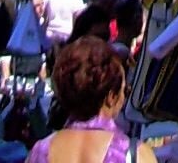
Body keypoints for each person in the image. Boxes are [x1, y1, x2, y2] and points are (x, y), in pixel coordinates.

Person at [30, 34, 133, 163]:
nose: (124, 97)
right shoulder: (132, 154)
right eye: (125, 90)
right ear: (111, 97)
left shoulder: (41, 151)